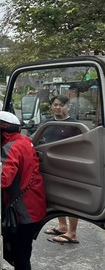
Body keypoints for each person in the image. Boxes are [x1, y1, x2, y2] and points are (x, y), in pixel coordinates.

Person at [0, 111, 46, 270]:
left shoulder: (9, 147)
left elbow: (3, 180)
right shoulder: (25, 141)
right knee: (19, 253)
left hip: (22, 213)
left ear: (1, 130)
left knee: (19, 256)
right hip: (36, 207)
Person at [41, 95, 81, 244]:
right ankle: (63, 226)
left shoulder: (76, 126)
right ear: (51, 107)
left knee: (70, 200)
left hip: (69, 168)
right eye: (55, 105)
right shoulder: (46, 124)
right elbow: (35, 139)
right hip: (51, 167)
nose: (58, 107)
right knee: (57, 198)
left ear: (68, 107)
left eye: (61, 105)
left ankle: (72, 232)